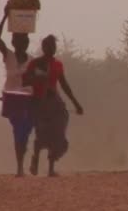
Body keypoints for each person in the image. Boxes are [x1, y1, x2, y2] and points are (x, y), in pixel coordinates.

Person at [23, 35, 83, 177]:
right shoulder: (35, 63)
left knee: (58, 134)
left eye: (53, 47)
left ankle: (50, 168)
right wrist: (37, 78)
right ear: (44, 48)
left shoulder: (57, 65)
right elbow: (24, 81)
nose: (52, 49)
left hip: (55, 103)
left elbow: (64, 84)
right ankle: (35, 159)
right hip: (38, 102)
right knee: (42, 133)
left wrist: (76, 103)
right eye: (49, 47)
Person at [0, 8, 34, 177]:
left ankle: (22, 162)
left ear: (27, 43)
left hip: (28, 100)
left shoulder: (32, 60)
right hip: (12, 99)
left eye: (24, 40)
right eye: (18, 40)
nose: (21, 43)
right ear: (13, 42)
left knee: (24, 132)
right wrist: (4, 17)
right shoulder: (8, 56)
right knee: (18, 130)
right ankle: (19, 166)